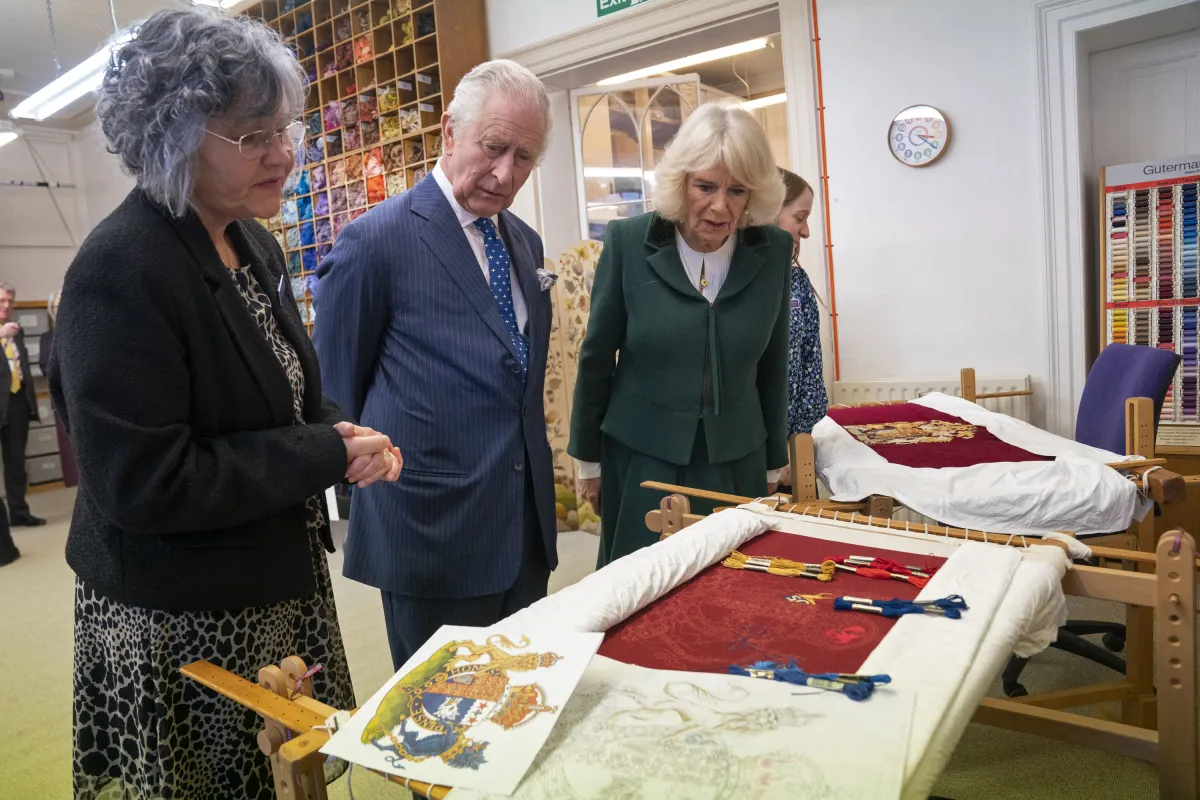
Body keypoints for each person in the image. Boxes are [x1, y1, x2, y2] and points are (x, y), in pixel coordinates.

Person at [49, 10, 402, 799]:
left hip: (266, 583)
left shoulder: (251, 239)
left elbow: (277, 392)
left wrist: (340, 429)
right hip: (184, 615)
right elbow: (144, 482)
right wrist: (322, 454)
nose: (284, 154)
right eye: (253, 137)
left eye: (287, 128)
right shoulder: (121, 271)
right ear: (173, 137)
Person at [314, 59, 559, 670]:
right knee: (441, 721)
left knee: (518, 703)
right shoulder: (377, 240)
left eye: (524, 158)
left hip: (523, 527)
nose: (505, 174)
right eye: (494, 147)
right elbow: (334, 396)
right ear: (449, 132)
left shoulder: (524, 242)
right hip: (430, 529)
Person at [569, 103, 793, 568]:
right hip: (641, 455)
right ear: (681, 182)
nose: (720, 206)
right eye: (706, 186)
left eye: (737, 190)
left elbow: (773, 366)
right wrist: (588, 460)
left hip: (737, 455)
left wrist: (774, 459)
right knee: (640, 586)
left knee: (731, 587)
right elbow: (596, 358)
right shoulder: (630, 241)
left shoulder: (772, 250)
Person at [775, 169, 829, 489]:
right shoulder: (730, 280)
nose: (806, 231)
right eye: (800, 217)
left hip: (791, 456)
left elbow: (811, 368)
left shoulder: (797, 283)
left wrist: (799, 445)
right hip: (746, 453)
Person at [0, 282, 45, 527]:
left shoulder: (17, 330)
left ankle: (19, 512)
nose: (6, 305)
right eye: (1, 301)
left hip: (16, 402)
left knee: (16, 462)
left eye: (9, 301)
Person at [39, 291, 78, 487]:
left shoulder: (82, 332)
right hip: (63, 401)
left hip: (85, 399)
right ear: (51, 310)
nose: (61, 308)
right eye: (56, 306)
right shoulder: (47, 338)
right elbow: (46, 367)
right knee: (70, 454)